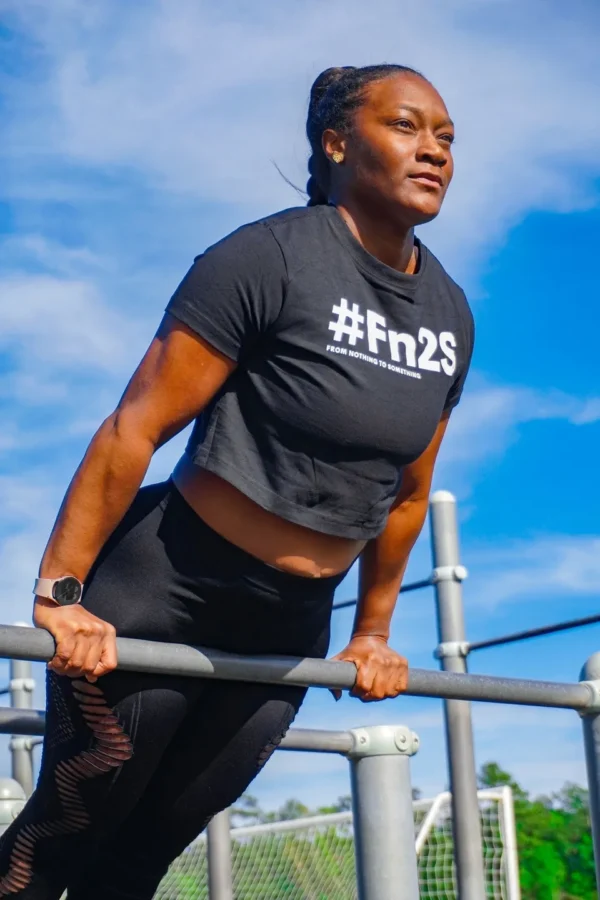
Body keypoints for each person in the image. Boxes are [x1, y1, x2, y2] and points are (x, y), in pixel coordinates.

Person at [0, 63, 473, 898]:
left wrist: (371, 632)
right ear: (336, 143)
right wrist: (61, 592)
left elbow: (404, 492)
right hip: (168, 584)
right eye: (406, 127)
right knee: (67, 832)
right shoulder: (267, 259)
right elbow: (134, 427)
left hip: (287, 624)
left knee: (141, 860)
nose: (433, 150)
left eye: (444, 137)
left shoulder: (449, 314)